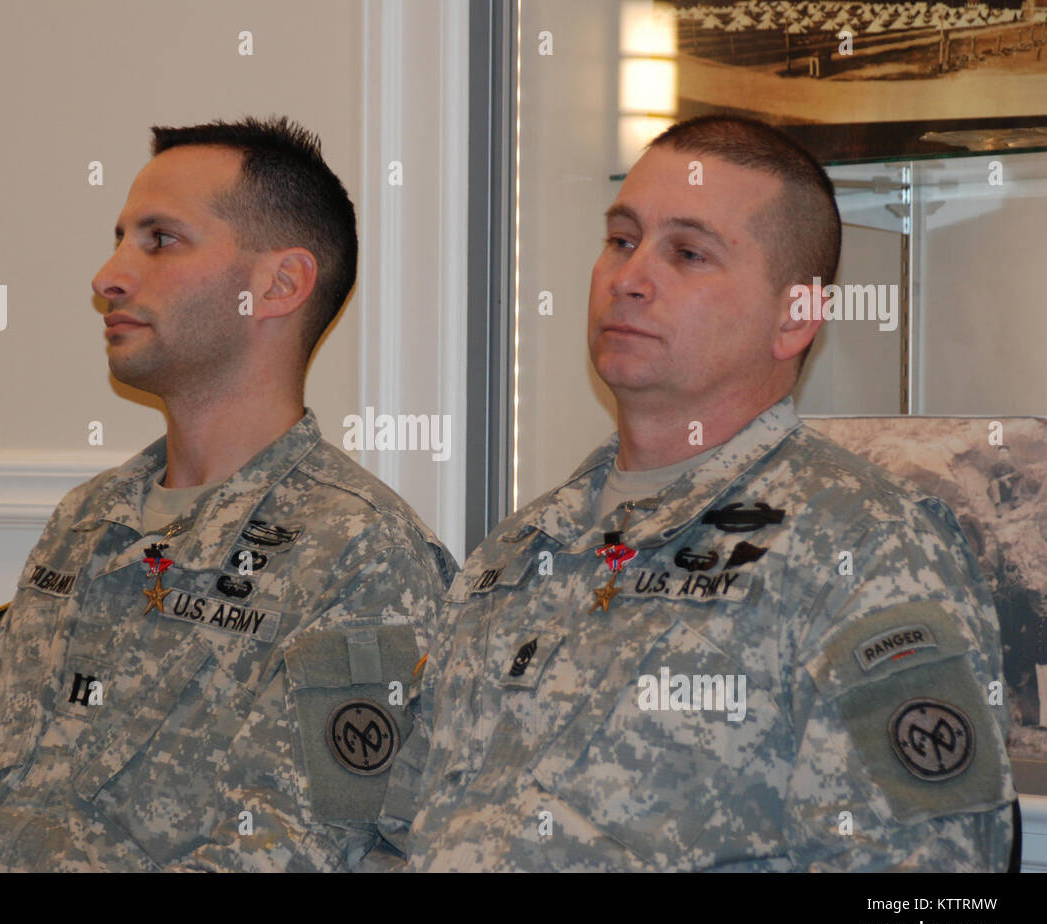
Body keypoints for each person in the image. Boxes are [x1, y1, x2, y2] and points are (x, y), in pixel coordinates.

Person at [390, 115, 1016, 871]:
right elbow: (402, 833)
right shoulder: (523, 551)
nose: (630, 278)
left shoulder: (869, 550)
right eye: (622, 240)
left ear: (795, 317)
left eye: (688, 253)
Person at [0, 117, 455, 872]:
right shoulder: (86, 523)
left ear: (278, 285)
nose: (107, 276)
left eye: (159, 240)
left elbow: (293, 854)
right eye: (120, 237)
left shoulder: (360, 554)